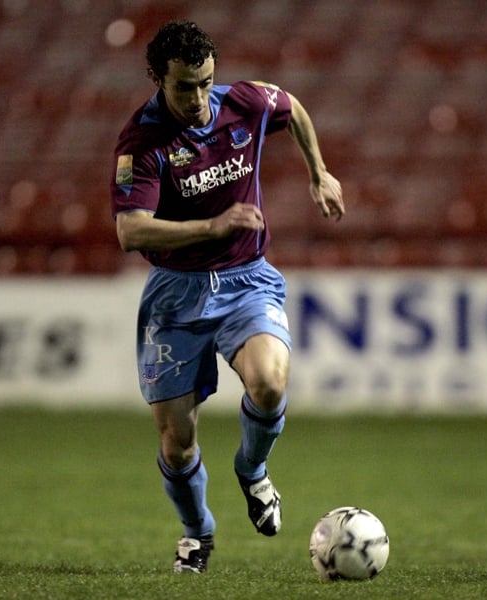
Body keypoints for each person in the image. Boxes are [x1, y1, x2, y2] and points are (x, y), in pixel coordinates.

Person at [110, 21, 344, 573]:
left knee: (269, 382)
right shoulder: (141, 142)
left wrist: (320, 172)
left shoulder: (244, 102)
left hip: (246, 278)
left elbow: (294, 108)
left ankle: (253, 470)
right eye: (184, 87)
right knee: (176, 443)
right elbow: (131, 231)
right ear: (157, 80)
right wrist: (211, 227)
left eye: (205, 82)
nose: (197, 98)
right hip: (175, 296)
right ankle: (197, 534)